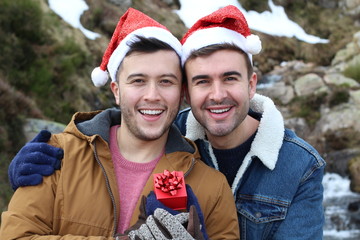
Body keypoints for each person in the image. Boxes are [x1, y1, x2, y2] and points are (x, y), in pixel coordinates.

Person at [7, 5, 326, 239]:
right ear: (115, 90)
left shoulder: (290, 168)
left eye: (166, 82)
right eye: (138, 82)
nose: (153, 96)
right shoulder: (59, 155)